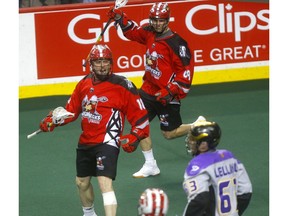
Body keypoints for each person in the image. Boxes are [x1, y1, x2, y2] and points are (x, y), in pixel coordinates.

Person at [39, 44, 150, 216]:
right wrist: (53, 121)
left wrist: (135, 135)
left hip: (108, 141)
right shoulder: (83, 84)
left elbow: (141, 117)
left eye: (106, 61)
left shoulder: (123, 85)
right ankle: (89, 213)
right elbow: (71, 111)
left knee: (104, 183)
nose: (102, 65)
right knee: (81, 183)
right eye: (98, 62)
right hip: (86, 141)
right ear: (91, 64)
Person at [107, 2, 203, 178]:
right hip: (148, 90)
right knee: (139, 124)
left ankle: (196, 126)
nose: (157, 23)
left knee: (169, 133)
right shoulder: (149, 32)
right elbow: (134, 33)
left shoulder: (177, 43)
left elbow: (186, 73)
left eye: (161, 20)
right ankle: (151, 165)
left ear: (167, 20)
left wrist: (171, 90)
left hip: (167, 95)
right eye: (154, 20)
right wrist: (121, 18)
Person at [183, 120, 253, 216]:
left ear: (203, 145)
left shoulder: (198, 164)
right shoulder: (229, 156)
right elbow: (245, 192)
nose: (190, 142)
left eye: (193, 139)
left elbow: (199, 199)